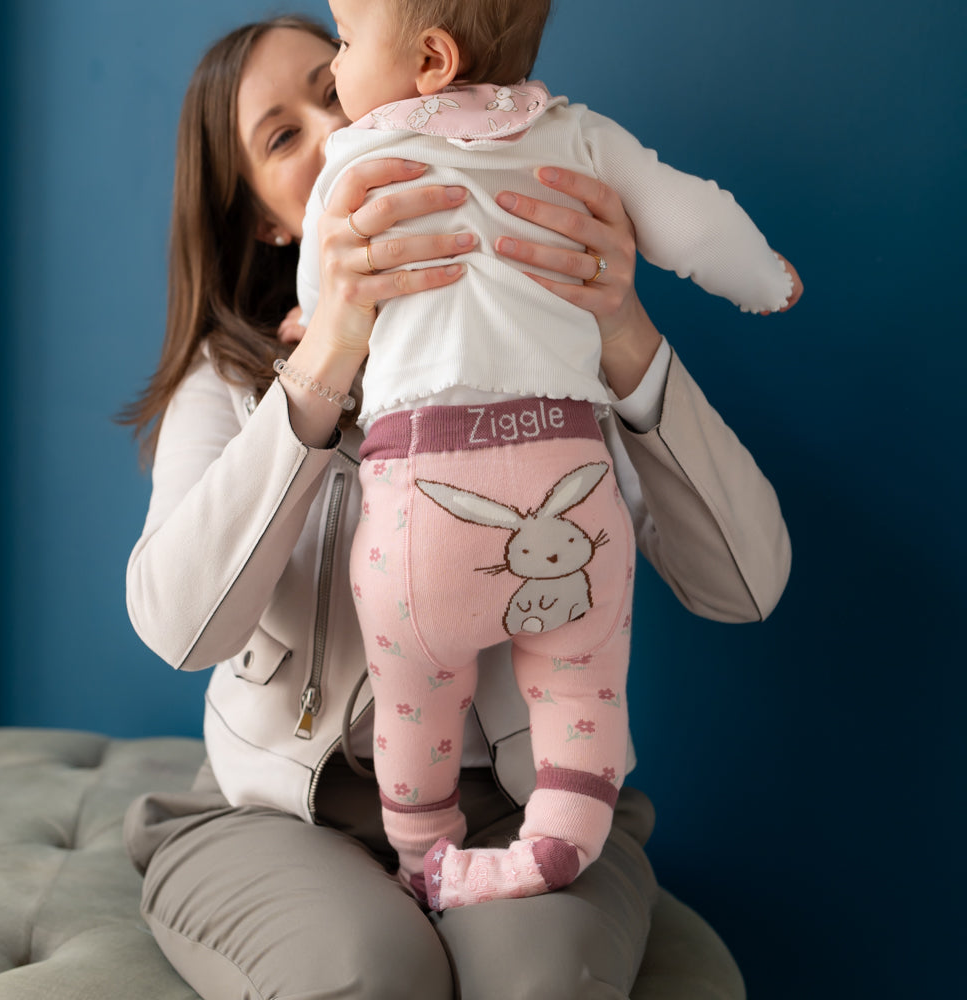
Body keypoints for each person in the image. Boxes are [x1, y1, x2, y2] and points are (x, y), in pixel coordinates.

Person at [121, 13, 791, 1000]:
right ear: (267, 221)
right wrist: (324, 362)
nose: (331, 126)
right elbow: (180, 627)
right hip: (280, 818)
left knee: (538, 981)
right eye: (280, 136)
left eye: (331, 82)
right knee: (369, 970)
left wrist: (625, 336)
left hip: (526, 807)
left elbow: (748, 584)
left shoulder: (545, 351)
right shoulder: (225, 388)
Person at [293, 0, 801, 909]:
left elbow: (323, 286)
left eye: (342, 42)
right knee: (582, 691)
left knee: (413, 698)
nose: (335, 72)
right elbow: (696, 224)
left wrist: (323, 324)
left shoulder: (357, 163)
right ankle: (557, 848)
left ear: (433, 59)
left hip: (418, 515)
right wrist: (766, 277)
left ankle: (424, 861)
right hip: (571, 489)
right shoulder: (581, 137)